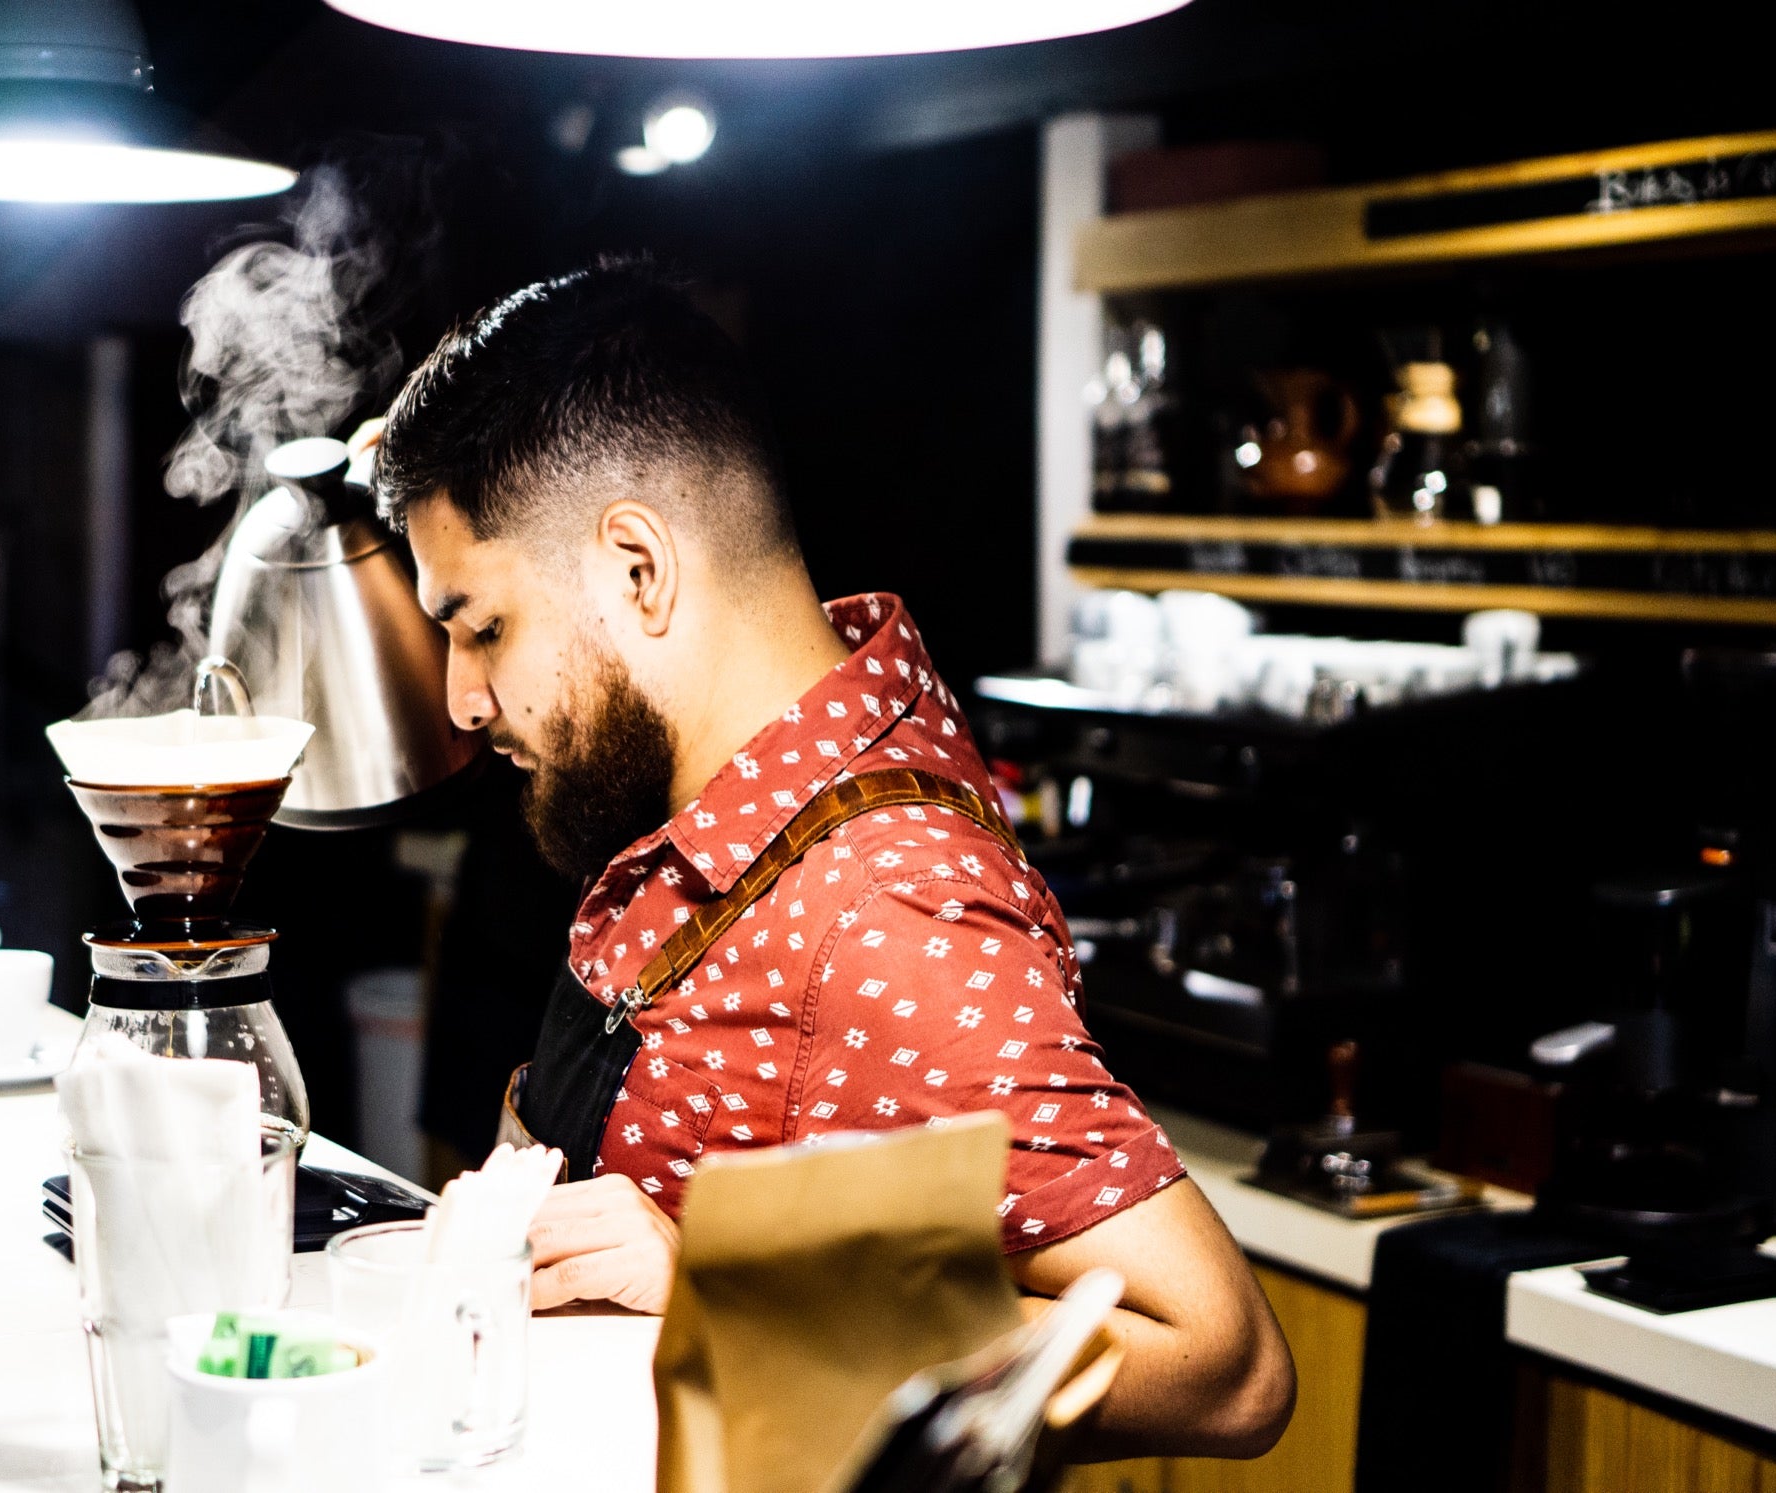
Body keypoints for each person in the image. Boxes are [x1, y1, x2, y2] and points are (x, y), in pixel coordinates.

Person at [372, 259, 1294, 1458]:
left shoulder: (883, 907)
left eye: (483, 625)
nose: (463, 698)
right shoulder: (733, 812)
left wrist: (722, 1286)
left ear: (636, 569)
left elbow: (1223, 1361)